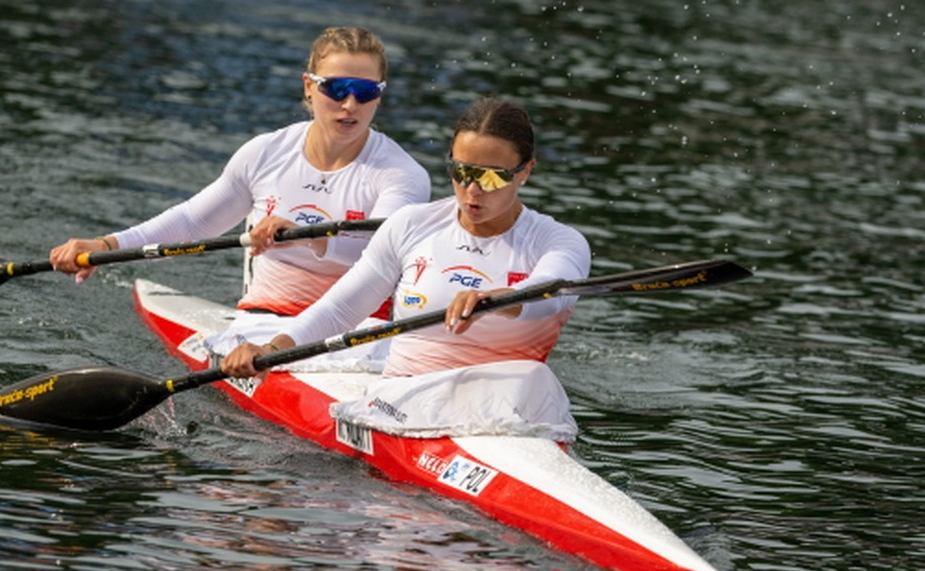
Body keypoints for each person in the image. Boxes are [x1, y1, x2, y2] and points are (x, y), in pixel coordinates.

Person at [48, 26, 430, 317]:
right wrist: (107, 246)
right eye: (337, 87)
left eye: (365, 91)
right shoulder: (265, 153)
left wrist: (304, 236)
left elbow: (382, 256)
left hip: (359, 334)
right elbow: (191, 225)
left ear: (379, 95)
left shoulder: (401, 175)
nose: (350, 104)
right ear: (309, 87)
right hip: (265, 320)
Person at [221, 97, 591, 382]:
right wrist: (272, 349)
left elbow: (552, 294)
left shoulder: (559, 242)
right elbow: (339, 309)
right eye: (461, 172)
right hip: (403, 398)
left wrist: (500, 300)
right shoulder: (411, 225)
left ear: (525, 171)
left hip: (504, 405)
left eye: (492, 177)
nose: (472, 189)